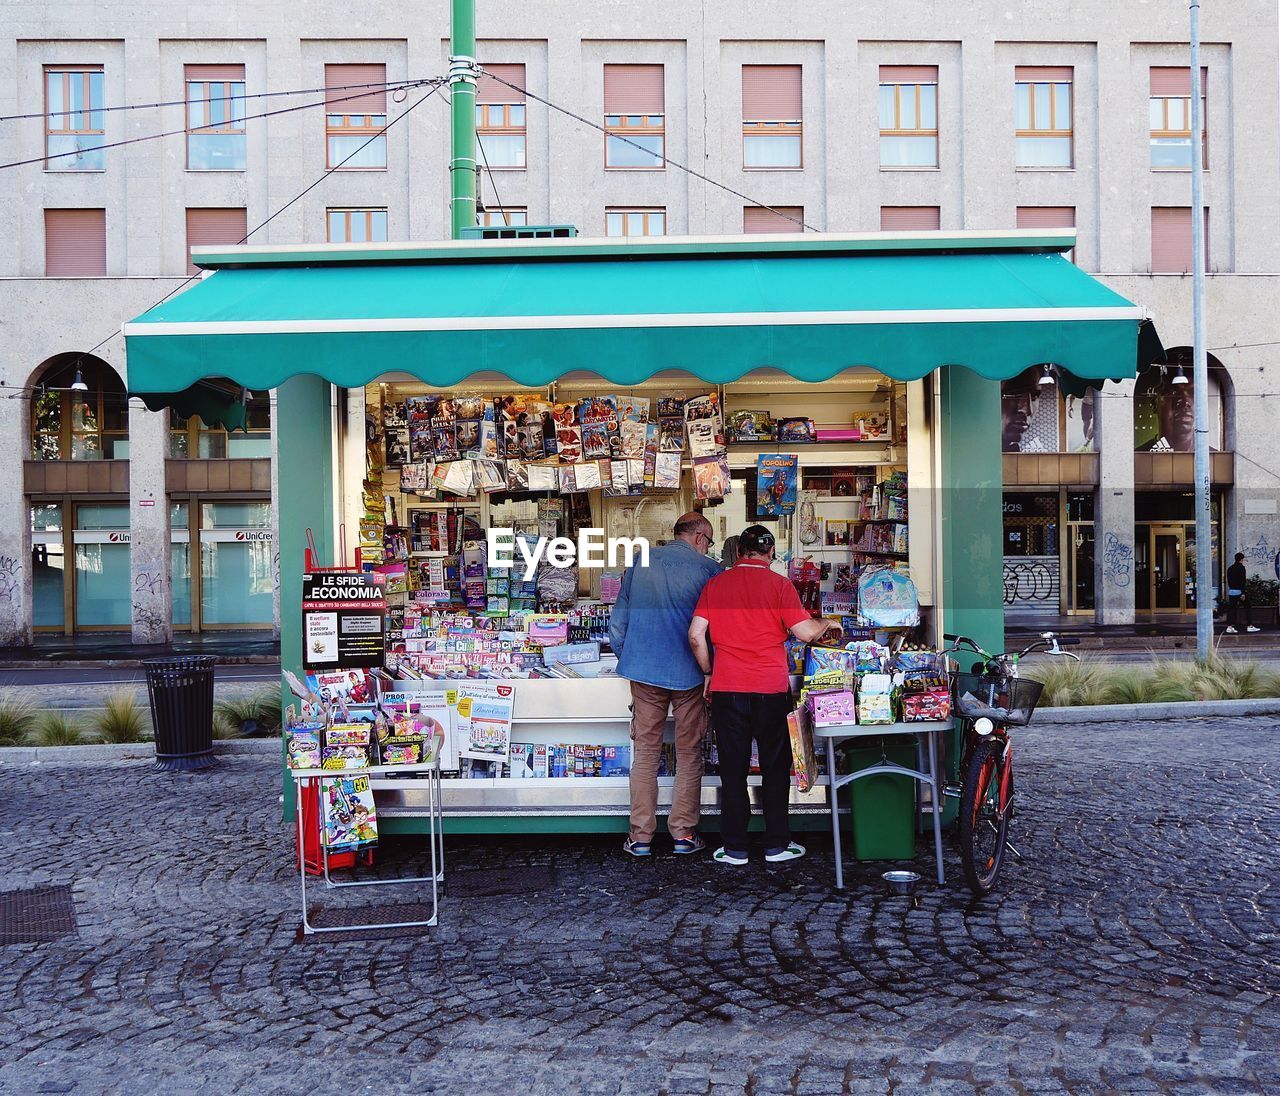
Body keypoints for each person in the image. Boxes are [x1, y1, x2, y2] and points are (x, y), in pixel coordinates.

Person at [688, 525, 841, 866]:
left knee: (732, 768)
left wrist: (709, 672)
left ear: (739, 550)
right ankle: (776, 845)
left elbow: (696, 635)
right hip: (770, 689)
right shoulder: (779, 585)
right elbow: (804, 633)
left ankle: (735, 848)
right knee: (774, 767)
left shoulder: (716, 584)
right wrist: (825, 624)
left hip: (728, 688)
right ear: (771, 553)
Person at [610, 511, 722, 857]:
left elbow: (619, 622)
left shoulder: (642, 560)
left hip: (644, 671)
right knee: (689, 754)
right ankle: (683, 834)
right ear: (701, 538)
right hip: (691, 673)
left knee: (645, 752)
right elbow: (716, 631)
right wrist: (711, 670)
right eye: (709, 543)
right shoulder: (709, 570)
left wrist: (629, 655)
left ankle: (641, 837)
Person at [1225, 552, 1260, 633]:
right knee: (1248, 607)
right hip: (1239, 591)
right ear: (1241, 559)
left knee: (1232, 609)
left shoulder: (1230, 568)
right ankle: (1249, 625)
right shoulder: (1241, 568)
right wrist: (1243, 593)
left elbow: (1229, 581)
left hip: (1232, 591)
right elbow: (1242, 581)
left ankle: (1229, 627)